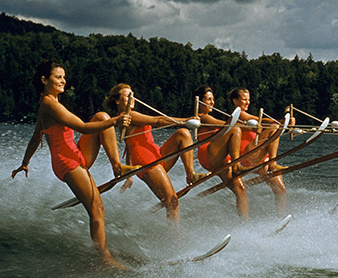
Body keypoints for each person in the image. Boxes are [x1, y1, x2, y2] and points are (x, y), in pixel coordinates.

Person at [11, 61, 132, 269]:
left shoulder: (47, 103)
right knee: (97, 209)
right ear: (44, 80)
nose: (63, 80)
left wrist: (25, 162)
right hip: (66, 162)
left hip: (76, 153)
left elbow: (35, 136)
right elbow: (83, 128)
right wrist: (116, 121)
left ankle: (117, 166)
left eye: (64, 77)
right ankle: (105, 259)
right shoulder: (50, 105)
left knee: (102, 116)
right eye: (58, 77)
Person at [105, 83, 203, 224]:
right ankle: (176, 241)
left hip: (157, 156)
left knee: (183, 134)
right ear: (117, 101)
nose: (132, 98)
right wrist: (186, 120)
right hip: (146, 162)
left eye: (133, 95)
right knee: (172, 202)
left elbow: (129, 146)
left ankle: (191, 174)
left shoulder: (126, 119)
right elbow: (158, 120)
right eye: (128, 96)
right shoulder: (127, 115)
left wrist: (129, 175)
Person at [229, 87, 290, 216]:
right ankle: (273, 163)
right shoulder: (238, 114)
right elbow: (261, 120)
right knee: (274, 128)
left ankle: (281, 218)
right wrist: (279, 123)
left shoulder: (246, 115)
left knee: (280, 190)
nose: (247, 102)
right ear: (235, 101)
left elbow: (261, 121)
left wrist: (284, 123)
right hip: (247, 155)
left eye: (249, 100)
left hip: (259, 156)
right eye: (244, 99)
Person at [193, 85, 249, 219]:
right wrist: (249, 127)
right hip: (207, 154)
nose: (212, 102)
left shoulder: (207, 115)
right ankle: (236, 166)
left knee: (240, 189)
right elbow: (225, 125)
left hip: (219, 156)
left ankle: (245, 225)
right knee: (234, 129)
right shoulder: (202, 117)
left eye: (213, 99)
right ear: (200, 101)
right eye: (208, 99)